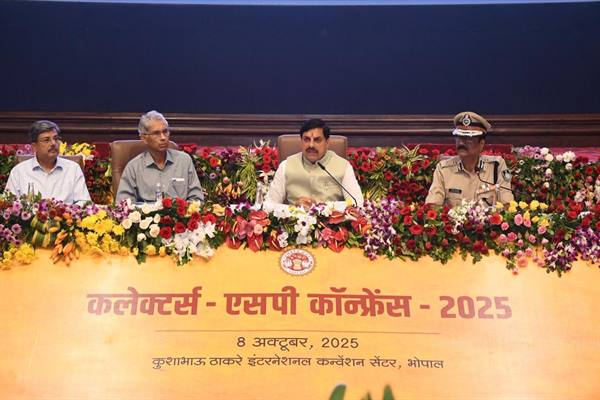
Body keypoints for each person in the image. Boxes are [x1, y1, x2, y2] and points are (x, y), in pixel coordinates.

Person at [266, 118, 364, 208]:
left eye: (317, 140)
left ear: (327, 142)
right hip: (294, 219)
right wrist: (294, 208)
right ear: (301, 141)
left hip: (331, 220)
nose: (311, 145)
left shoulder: (343, 166)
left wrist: (322, 207)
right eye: (306, 139)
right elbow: (269, 205)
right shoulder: (286, 165)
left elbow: (357, 202)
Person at [425, 111, 514, 207]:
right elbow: (433, 205)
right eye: (459, 137)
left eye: (468, 138)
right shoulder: (443, 169)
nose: (461, 143)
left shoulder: (497, 166)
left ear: (481, 144)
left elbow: (507, 204)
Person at [115, 111, 204, 204]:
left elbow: (197, 199)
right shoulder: (133, 167)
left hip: (179, 212)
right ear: (144, 138)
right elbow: (123, 204)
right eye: (156, 133)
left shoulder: (184, 161)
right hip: (146, 213)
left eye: (165, 132)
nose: (163, 137)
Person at [5, 120, 91, 204]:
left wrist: (67, 211)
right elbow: (8, 204)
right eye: (46, 140)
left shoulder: (73, 169)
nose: (53, 143)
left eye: (56, 139)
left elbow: (84, 202)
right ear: (34, 146)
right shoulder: (19, 172)